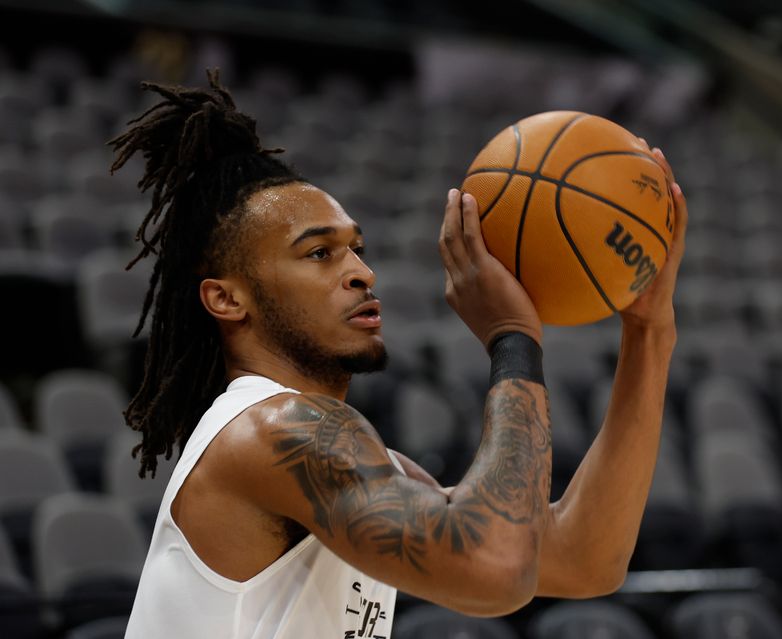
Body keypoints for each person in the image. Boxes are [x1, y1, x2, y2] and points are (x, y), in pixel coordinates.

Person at [115, 71, 687, 639]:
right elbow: (495, 571)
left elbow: (586, 561)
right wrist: (512, 336)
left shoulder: (355, 460)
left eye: (357, 250)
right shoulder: (272, 430)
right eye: (319, 253)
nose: (361, 273)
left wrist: (649, 332)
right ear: (226, 298)